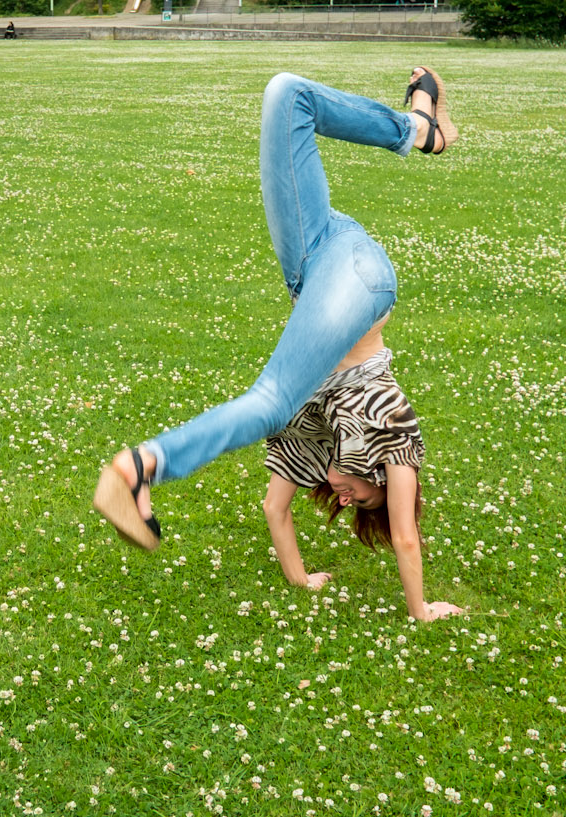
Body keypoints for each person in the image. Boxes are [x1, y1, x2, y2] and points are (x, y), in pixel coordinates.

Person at [92, 70, 464, 622]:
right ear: (381, 479)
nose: (345, 499)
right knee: (270, 401)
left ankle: (423, 110)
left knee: (285, 96)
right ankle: (140, 467)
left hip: (313, 262)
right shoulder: (395, 436)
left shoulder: (318, 444)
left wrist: (302, 578)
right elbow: (406, 538)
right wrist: (423, 609)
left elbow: (274, 506)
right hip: (360, 280)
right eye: (361, 498)